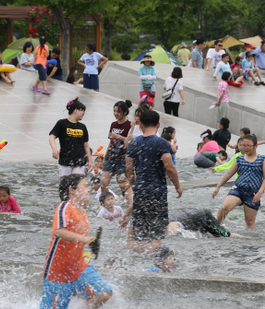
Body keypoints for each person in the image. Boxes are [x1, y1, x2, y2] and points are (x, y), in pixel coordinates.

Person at [40, 175, 113, 308]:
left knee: (104, 293)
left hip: (79, 267)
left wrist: (92, 243)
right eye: (84, 186)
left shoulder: (83, 213)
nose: (89, 189)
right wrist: (89, 240)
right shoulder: (65, 206)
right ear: (72, 190)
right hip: (58, 271)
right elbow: (58, 231)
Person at [120, 109, 182, 253]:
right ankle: (152, 264)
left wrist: (134, 183)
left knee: (139, 235)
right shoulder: (161, 143)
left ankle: (138, 264)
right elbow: (170, 168)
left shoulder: (134, 143)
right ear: (158, 125)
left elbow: (129, 169)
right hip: (157, 193)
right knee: (156, 235)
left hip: (140, 192)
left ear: (140, 125)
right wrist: (178, 186)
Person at [212, 134, 265, 229]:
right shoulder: (239, 159)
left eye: (248, 146)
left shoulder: (263, 160)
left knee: (250, 222)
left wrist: (259, 193)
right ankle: (215, 228)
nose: (245, 148)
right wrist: (218, 186)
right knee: (224, 208)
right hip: (238, 190)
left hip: (253, 193)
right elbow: (229, 173)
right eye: (243, 145)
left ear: (256, 146)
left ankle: (251, 241)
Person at [49, 98, 92, 177]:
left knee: (78, 185)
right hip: (65, 162)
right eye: (82, 111)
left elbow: (86, 145)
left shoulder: (82, 127)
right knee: (65, 185)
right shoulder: (62, 123)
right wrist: (54, 148)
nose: (84, 113)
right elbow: (52, 136)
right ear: (76, 110)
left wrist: (90, 160)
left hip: (80, 162)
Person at [99, 100, 133, 195]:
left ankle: (128, 204)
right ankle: (107, 203)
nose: (115, 113)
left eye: (118, 111)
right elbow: (111, 142)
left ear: (124, 113)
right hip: (111, 157)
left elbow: (128, 142)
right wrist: (105, 159)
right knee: (103, 183)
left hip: (122, 159)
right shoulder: (113, 124)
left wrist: (117, 136)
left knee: (124, 185)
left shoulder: (129, 125)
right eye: (114, 111)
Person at [167, 208, 243, 238]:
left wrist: (171, 238)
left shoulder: (169, 225)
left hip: (204, 217)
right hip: (194, 220)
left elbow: (173, 225)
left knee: (225, 235)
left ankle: (246, 238)